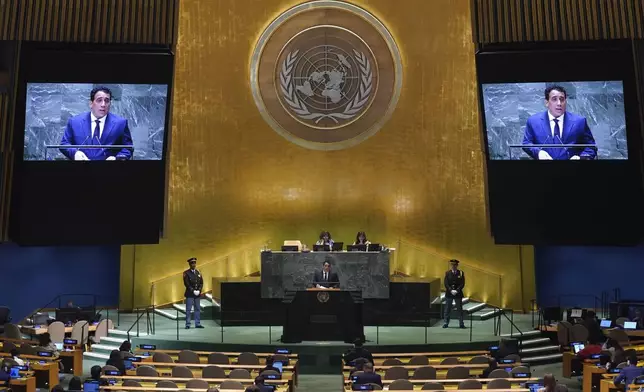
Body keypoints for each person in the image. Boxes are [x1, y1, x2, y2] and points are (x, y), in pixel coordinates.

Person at [522, 85, 596, 160]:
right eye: (554, 99)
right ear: (547, 102)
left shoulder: (579, 122)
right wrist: (538, 153)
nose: (559, 103)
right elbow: (526, 144)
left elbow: (591, 147)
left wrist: (580, 158)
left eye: (562, 99)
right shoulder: (533, 121)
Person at [59, 86, 133, 161]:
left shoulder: (120, 123)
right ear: (91, 104)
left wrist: (117, 158)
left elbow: (128, 148)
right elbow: (64, 144)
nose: (103, 104)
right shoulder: (75, 122)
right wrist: (75, 153)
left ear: (110, 104)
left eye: (107, 101)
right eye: (99, 100)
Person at [443, 259, 465, 329]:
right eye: (452, 265)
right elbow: (446, 283)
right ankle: (446, 323)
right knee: (447, 308)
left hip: (458, 294)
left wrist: (457, 290)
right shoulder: (447, 273)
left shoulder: (461, 273)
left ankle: (461, 323)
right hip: (449, 293)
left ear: (457, 265)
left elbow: (462, 283)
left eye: (455, 265)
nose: (453, 266)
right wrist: (450, 290)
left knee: (459, 309)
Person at [183, 257, 204, 329]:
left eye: (194, 263)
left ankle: (197, 323)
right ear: (189, 264)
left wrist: (199, 290)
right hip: (190, 294)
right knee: (188, 309)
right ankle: (188, 324)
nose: (194, 264)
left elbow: (201, 283)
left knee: (197, 309)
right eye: (192, 263)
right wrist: (193, 291)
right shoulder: (186, 273)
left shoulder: (198, 272)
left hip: (197, 294)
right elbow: (186, 283)